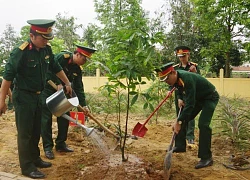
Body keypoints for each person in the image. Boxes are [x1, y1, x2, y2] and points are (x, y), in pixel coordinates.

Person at [0, 19, 73, 179]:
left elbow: (56, 67)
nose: (46, 41)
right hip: (24, 97)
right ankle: (27, 167)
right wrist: (2, 100)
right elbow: (7, 78)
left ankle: (35, 159)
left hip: (39, 97)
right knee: (25, 133)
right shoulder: (20, 52)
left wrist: (67, 82)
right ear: (32, 36)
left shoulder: (46, 50)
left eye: (48, 38)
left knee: (35, 131)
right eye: (43, 38)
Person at [156, 62, 219, 169]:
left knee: (203, 124)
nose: (166, 82)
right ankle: (180, 145)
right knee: (183, 118)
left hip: (209, 97)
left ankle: (206, 158)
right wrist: (180, 97)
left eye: (167, 79)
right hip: (198, 98)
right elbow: (178, 87)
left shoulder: (187, 79)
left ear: (173, 72)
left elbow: (190, 105)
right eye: (164, 80)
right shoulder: (176, 78)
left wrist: (178, 121)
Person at [41, 45, 96, 160]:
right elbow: (48, 69)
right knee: (46, 119)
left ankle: (61, 143)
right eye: (84, 59)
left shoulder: (77, 69)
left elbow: (79, 88)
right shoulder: (62, 57)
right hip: (48, 89)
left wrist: (84, 105)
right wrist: (57, 82)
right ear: (77, 54)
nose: (84, 62)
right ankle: (47, 148)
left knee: (65, 117)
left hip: (64, 93)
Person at [173, 46, 200, 144]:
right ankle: (180, 137)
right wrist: (179, 98)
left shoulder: (194, 66)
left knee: (190, 115)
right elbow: (174, 83)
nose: (182, 58)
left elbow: (199, 80)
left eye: (183, 56)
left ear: (188, 55)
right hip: (179, 94)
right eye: (180, 56)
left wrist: (195, 72)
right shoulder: (176, 68)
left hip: (190, 94)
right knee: (180, 115)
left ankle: (190, 136)